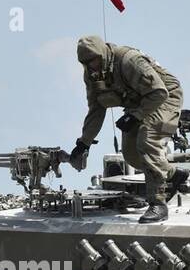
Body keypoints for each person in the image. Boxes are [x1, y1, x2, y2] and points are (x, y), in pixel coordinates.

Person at [68, 35, 183, 222]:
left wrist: (135, 116)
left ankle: (158, 204)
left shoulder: (129, 61)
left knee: (147, 139)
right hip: (139, 102)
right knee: (132, 155)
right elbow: (96, 110)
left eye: (94, 60)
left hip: (164, 97)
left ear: (102, 55)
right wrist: (84, 144)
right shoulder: (91, 75)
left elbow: (159, 92)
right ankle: (173, 174)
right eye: (86, 63)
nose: (91, 66)